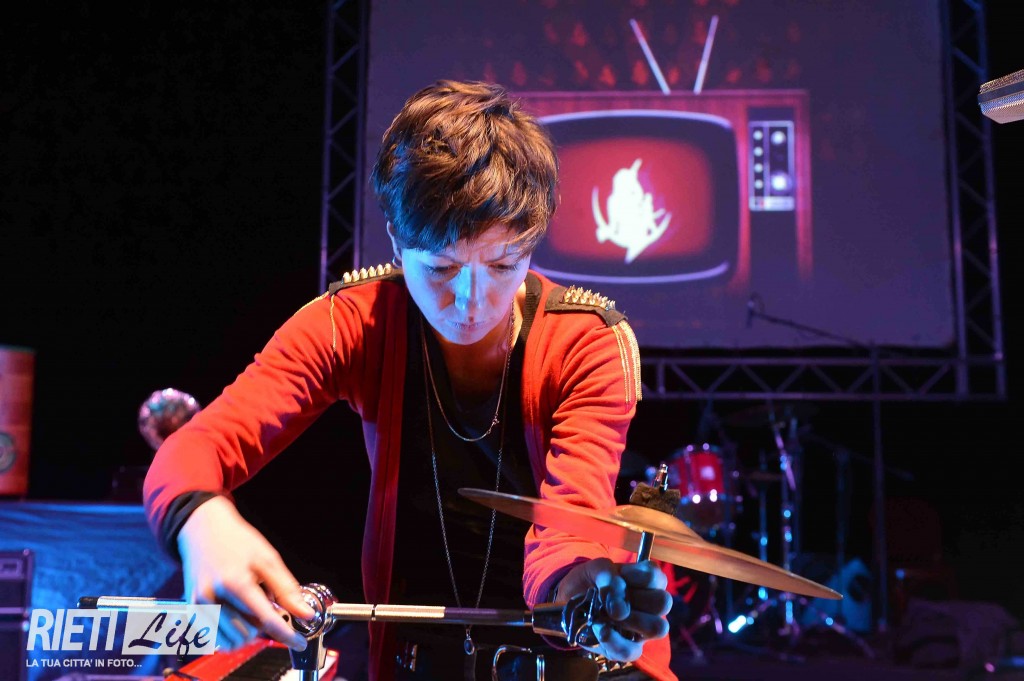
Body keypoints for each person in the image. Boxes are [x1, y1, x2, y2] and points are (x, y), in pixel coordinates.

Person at [143, 79, 676, 681]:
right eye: (442, 267)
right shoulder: (354, 322)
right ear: (397, 242)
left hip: (562, 656)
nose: (472, 301)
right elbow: (197, 447)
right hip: (415, 655)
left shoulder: (586, 343)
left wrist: (581, 585)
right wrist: (200, 518)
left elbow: (569, 522)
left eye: (503, 265)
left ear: (532, 244)